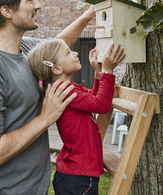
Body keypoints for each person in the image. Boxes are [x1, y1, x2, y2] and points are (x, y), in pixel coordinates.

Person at [0, 0, 96, 195]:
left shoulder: (26, 49)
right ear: (6, 11)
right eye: (30, 0)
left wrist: (87, 16)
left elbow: (58, 44)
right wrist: (46, 118)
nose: (39, 5)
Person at [27, 38, 125, 195]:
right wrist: (108, 71)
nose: (76, 53)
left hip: (73, 175)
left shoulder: (66, 89)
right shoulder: (66, 91)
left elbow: (93, 101)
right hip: (79, 177)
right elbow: (102, 105)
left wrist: (98, 74)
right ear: (57, 69)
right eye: (68, 52)